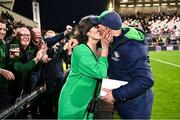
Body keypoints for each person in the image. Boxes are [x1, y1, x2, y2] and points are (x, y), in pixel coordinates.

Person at [68, 10, 154, 119]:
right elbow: (90, 41)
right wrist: (78, 40)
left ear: (108, 29)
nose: (98, 27)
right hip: (123, 102)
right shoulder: (110, 39)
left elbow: (146, 80)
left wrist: (115, 94)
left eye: (99, 25)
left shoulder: (133, 46)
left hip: (137, 107)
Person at [58, 15, 112, 119]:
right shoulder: (80, 50)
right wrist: (105, 49)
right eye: (96, 27)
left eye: (100, 26)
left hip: (88, 102)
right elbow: (100, 73)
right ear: (87, 32)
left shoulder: (99, 50)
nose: (99, 28)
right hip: (72, 103)